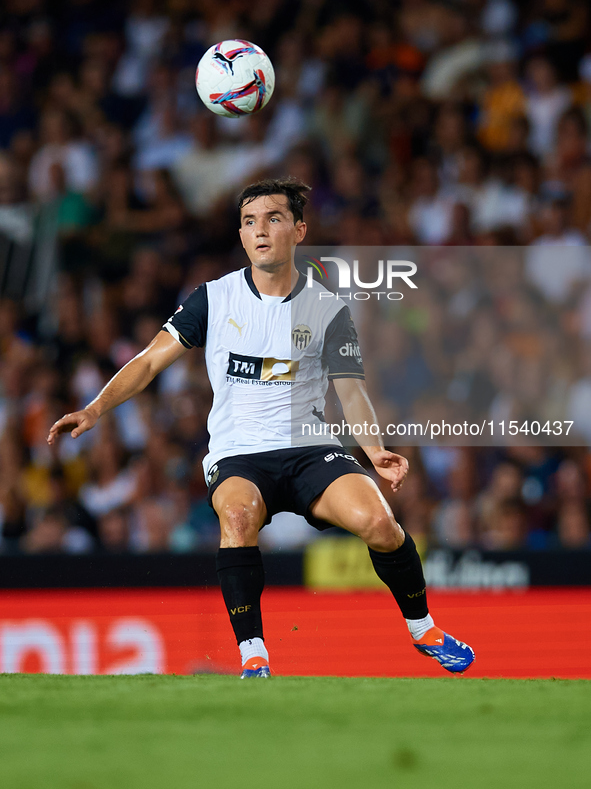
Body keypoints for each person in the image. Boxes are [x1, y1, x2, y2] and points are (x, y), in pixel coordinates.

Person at [48, 177, 474, 678]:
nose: (260, 230)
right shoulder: (214, 298)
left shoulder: (329, 309)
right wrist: (97, 408)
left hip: (312, 449)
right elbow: (147, 362)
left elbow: (351, 390)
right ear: (242, 235)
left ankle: (423, 629)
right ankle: (254, 656)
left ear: (299, 230)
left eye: (273, 219)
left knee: (381, 523)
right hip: (239, 454)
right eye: (250, 222)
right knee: (238, 517)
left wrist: (374, 450)